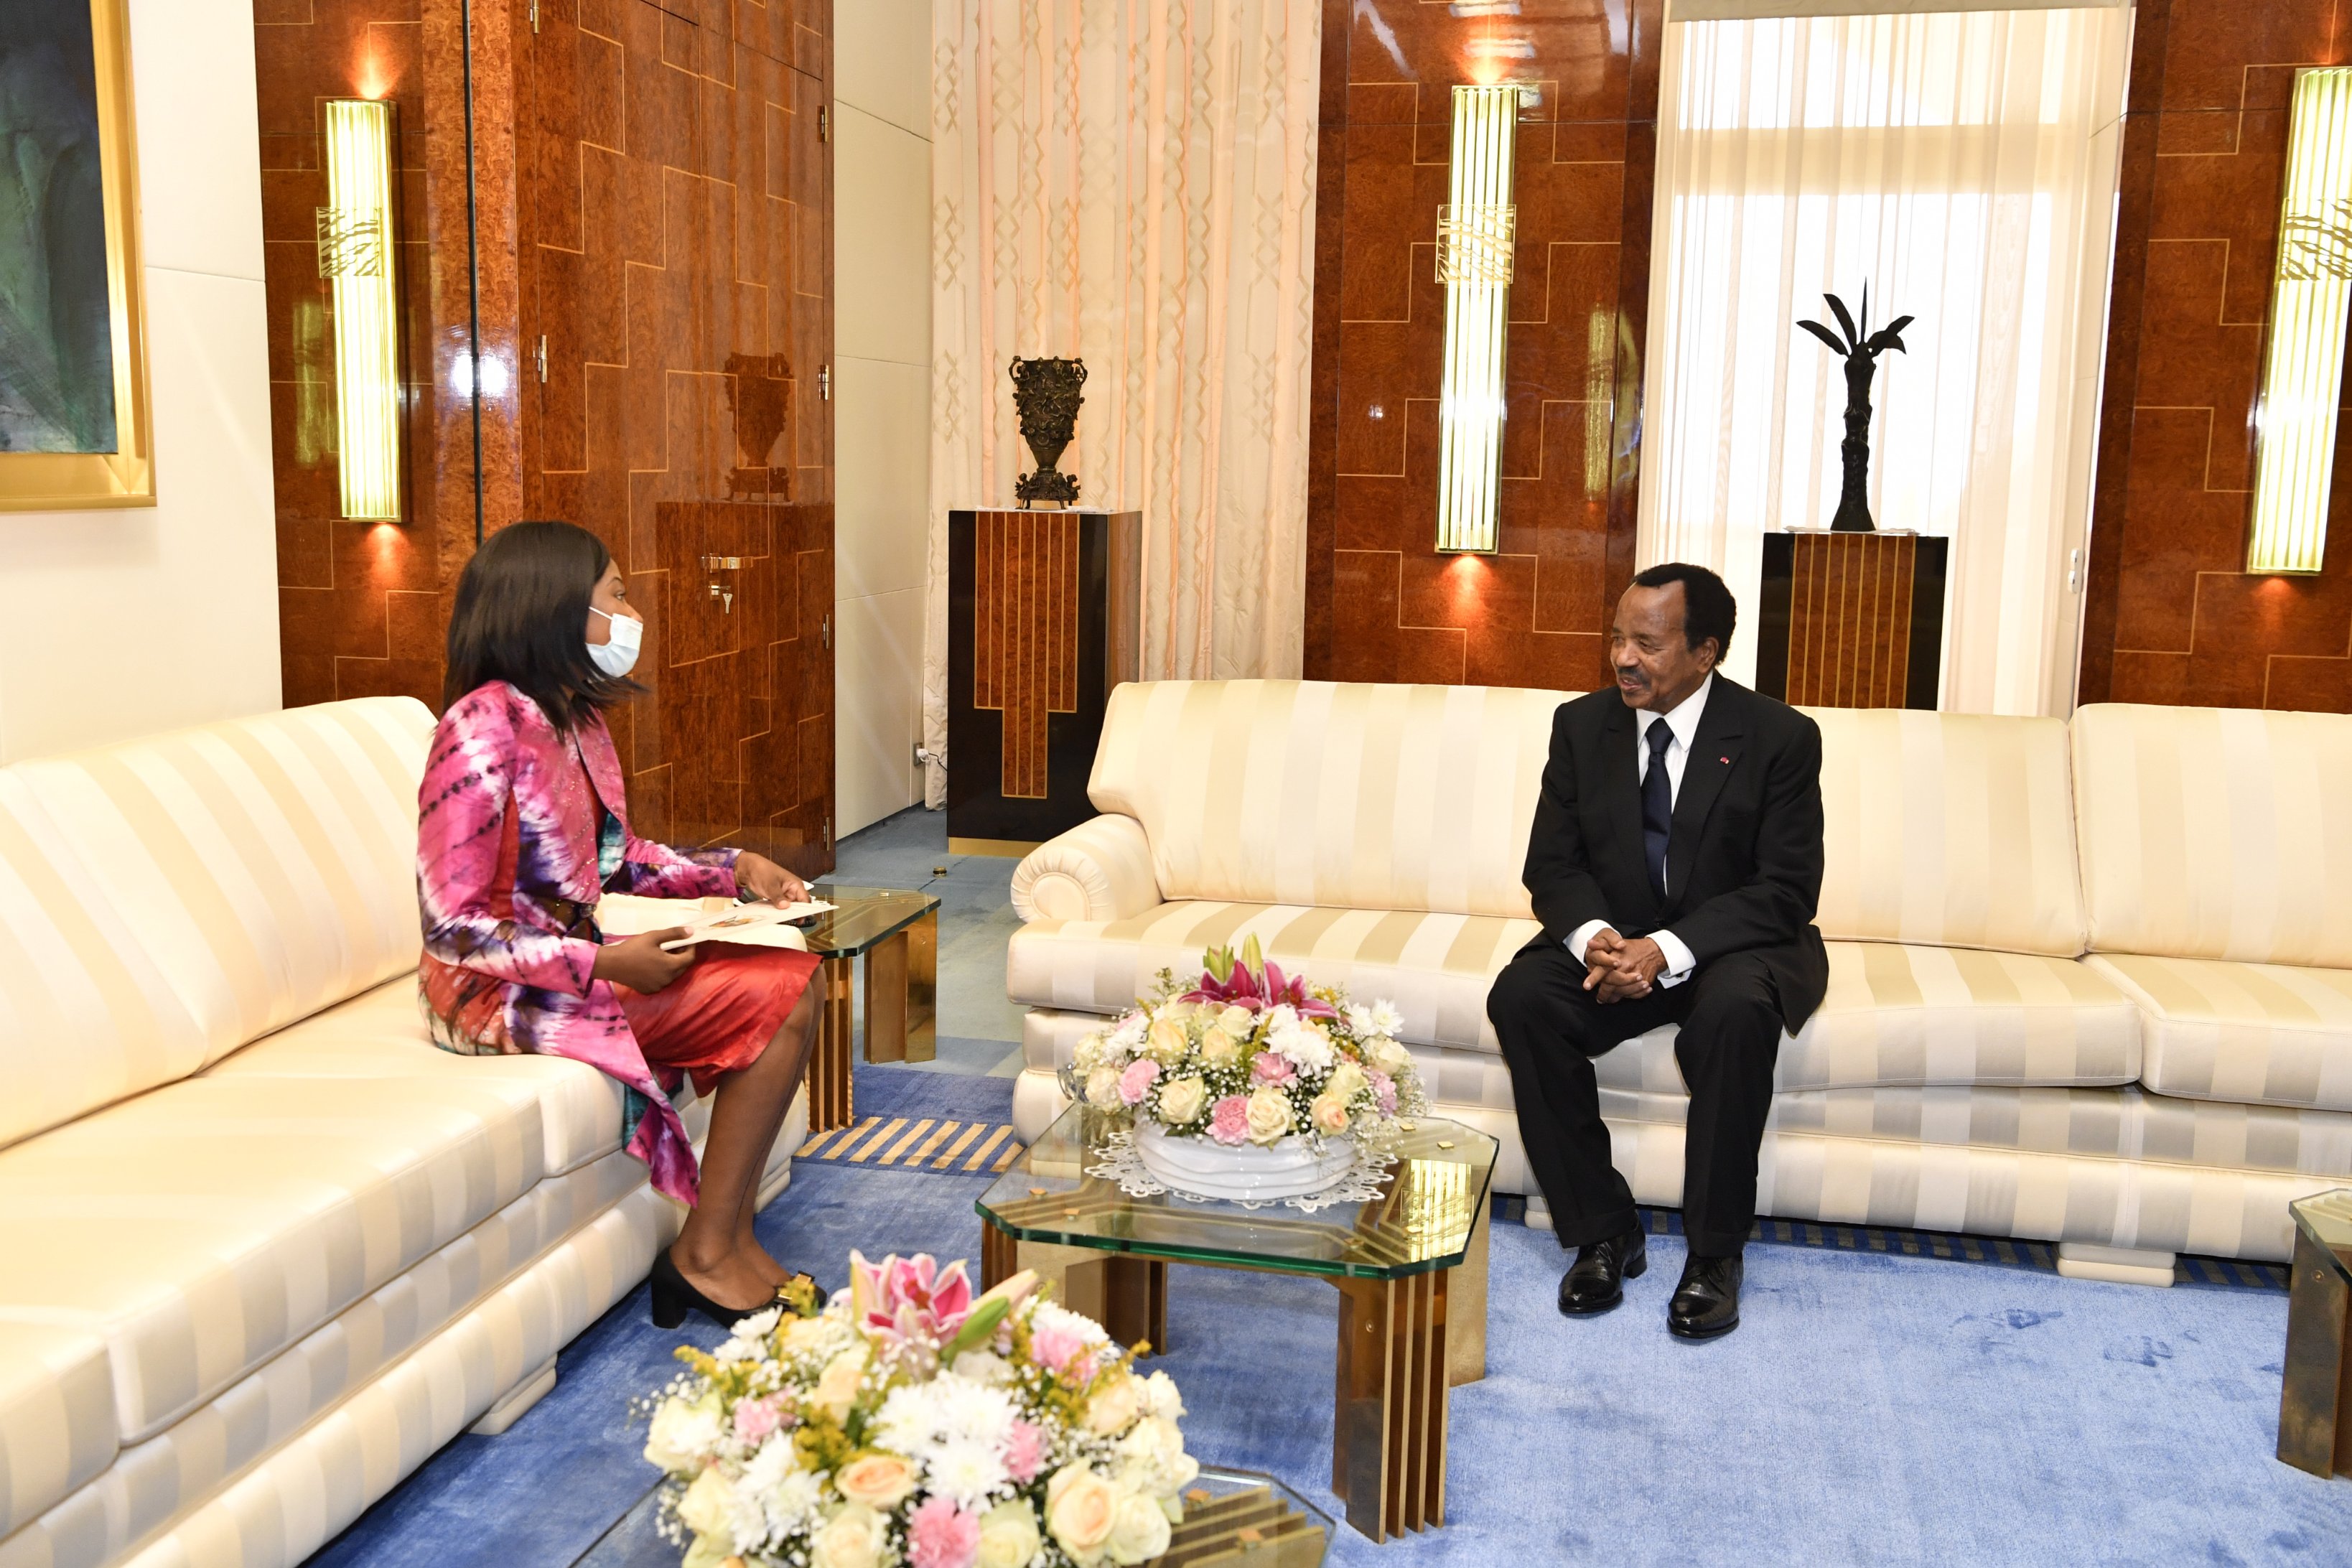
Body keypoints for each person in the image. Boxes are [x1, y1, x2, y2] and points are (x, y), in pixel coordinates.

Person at [415, 520, 826, 1332]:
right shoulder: (477, 729)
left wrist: (735, 870)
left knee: (792, 978)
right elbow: (451, 928)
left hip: (578, 956)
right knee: (781, 999)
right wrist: (605, 968)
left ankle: (726, 1240)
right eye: (615, 595)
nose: (628, 613)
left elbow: (617, 861)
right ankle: (704, 1256)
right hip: (491, 992)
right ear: (557, 609)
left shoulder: (575, 720)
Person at [1486, 563, 1827, 1339]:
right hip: (1616, 937)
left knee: (1737, 1015)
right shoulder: (1582, 726)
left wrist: (1664, 950)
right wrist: (1597, 941)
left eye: (1647, 642)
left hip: (1730, 943)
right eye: (1616, 639)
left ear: (1705, 652)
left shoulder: (1779, 738)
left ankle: (1714, 1254)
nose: (1623, 659)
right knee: (1523, 997)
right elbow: (1553, 866)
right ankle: (1603, 1231)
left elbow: (1785, 890)